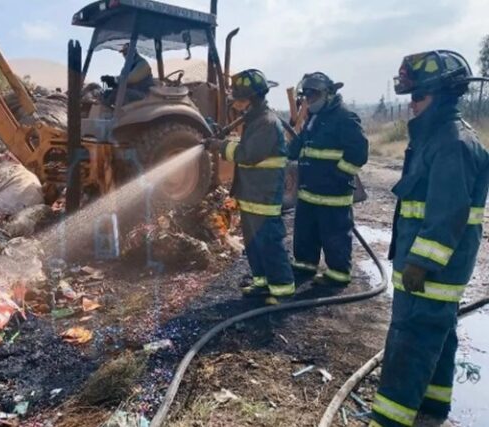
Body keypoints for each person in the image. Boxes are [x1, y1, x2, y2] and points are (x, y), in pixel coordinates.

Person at [369, 50, 489, 427]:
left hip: (432, 272)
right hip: (431, 269)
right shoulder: (435, 137)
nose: (411, 106)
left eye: (418, 97)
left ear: (442, 95)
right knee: (439, 334)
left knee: (411, 342)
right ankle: (432, 409)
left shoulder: (451, 143)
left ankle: (388, 421)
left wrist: (421, 263)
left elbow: (447, 215)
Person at [205, 69, 294, 305]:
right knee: (254, 243)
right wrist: (224, 141)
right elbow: (247, 145)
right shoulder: (255, 119)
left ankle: (283, 289)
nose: (238, 103)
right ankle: (262, 282)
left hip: (264, 195)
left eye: (241, 98)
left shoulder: (266, 122)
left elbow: (248, 154)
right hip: (252, 193)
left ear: (253, 98)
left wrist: (220, 146)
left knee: (269, 242)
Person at [287, 72, 369, 287]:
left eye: (313, 95)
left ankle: (338, 274)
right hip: (309, 192)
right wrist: (285, 154)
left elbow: (358, 153)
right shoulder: (315, 118)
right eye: (306, 95)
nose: (309, 100)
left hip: (333, 193)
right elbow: (301, 144)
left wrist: (338, 175)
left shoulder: (344, 118)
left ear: (329, 94)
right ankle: (306, 265)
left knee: (335, 235)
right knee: (306, 232)